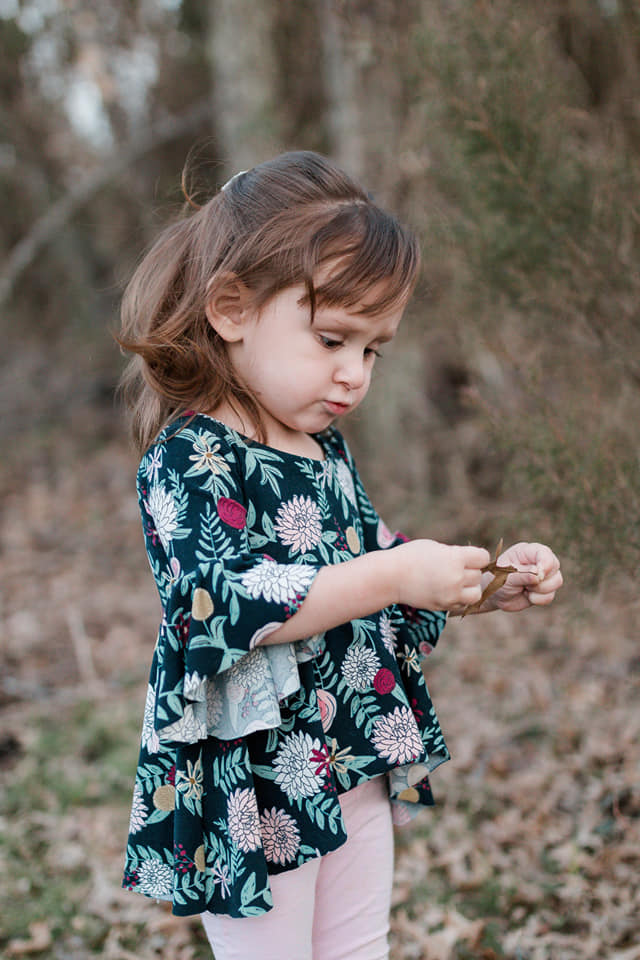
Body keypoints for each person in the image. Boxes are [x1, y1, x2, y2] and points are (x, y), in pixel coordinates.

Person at [118, 151, 562, 960]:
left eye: (372, 351)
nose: (354, 375)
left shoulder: (323, 449)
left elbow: (368, 559)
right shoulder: (190, 456)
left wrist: (474, 584)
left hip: (350, 745)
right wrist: (394, 571)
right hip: (252, 779)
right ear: (231, 308)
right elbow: (226, 602)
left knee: (361, 949)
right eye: (332, 338)